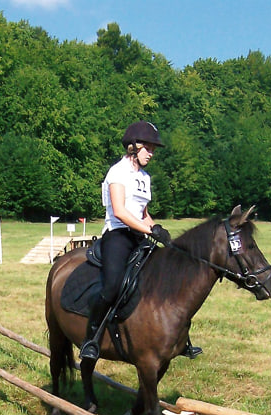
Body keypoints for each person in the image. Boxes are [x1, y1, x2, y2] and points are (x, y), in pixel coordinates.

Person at [79, 121, 201, 361]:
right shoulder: (117, 172)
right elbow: (121, 212)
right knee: (113, 285)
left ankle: (180, 338)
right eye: (148, 148)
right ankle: (91, 339)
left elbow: (143, 212)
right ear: (133, 147)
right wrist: (149, 230)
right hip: (118, 235)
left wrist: (156, 227)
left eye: (153, 149)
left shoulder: (144, 177)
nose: (152, 153)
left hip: (139, 234)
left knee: (166, 277)